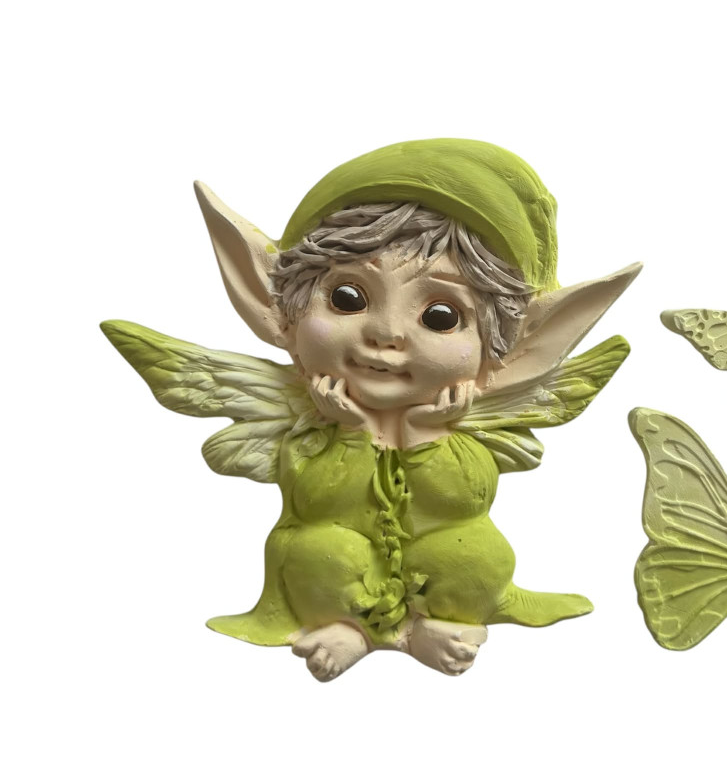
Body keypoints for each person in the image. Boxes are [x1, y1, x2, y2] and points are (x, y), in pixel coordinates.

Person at [102, 138, 641, 679]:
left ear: (519, 350)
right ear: (276, 309)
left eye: (440, 316)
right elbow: (317, 500)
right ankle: (345, 626)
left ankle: (440, 623)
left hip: (448, 542)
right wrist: (351, 430)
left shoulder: (461, 424)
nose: (386, 333)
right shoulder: (311, 425)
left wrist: (428, 432)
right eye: (348, 298)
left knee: (474, 550)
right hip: (327, 559)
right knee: (316, 546)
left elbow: (463, 499)